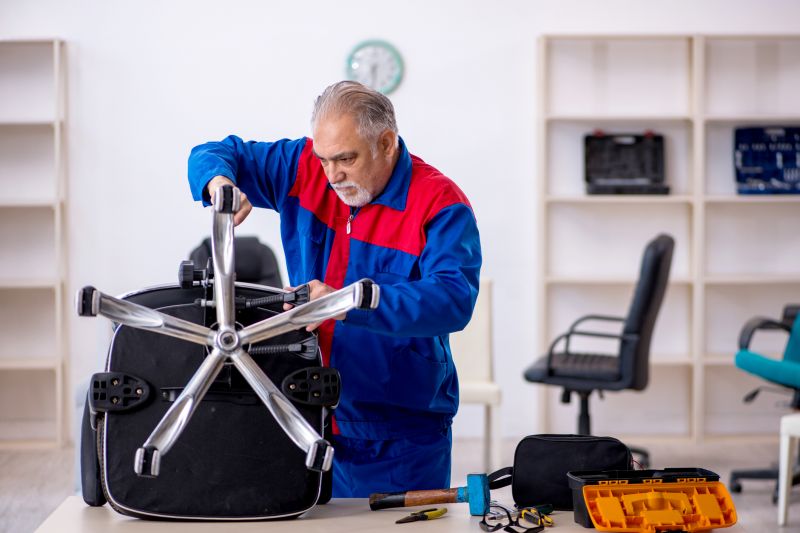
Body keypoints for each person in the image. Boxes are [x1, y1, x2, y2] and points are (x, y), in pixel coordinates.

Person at [187, 80, 481, 497]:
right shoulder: (303, 167)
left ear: (386, 142)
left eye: (346, 159)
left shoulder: (439, 204)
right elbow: (214, 151)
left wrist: (347, 302)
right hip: (305, 409)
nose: (332, 175)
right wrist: (219, 183)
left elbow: (453, 300)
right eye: (324, 159)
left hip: (398, 432)